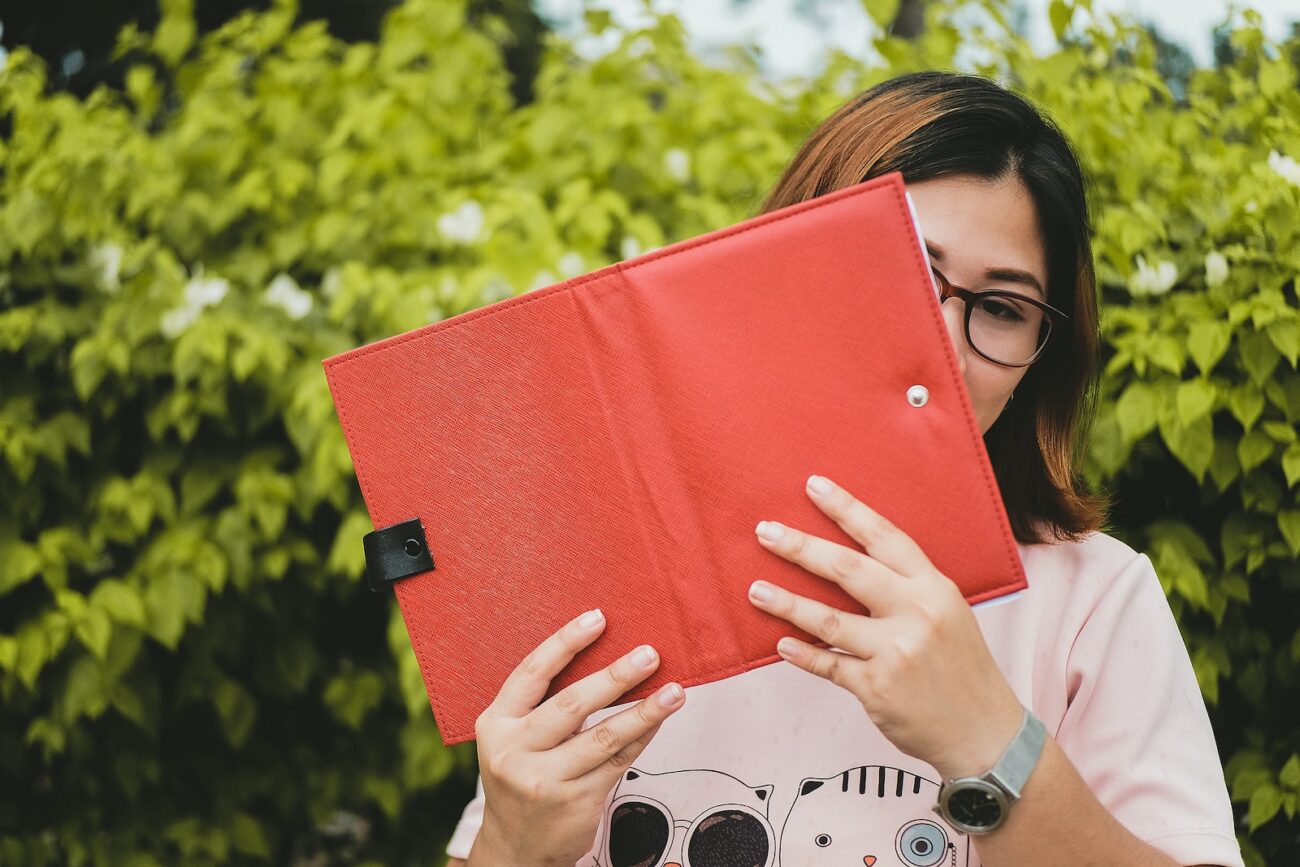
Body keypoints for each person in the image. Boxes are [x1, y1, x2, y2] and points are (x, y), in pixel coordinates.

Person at [445, 71, 1244, 867]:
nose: (940, 346)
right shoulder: (606, 582)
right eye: (903, 272)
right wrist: (511, 845)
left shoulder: (1095, 600)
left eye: (1002, 307)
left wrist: (988, 736)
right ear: (771, 269)